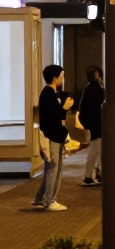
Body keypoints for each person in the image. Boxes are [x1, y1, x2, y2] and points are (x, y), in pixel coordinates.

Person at [33, 64, 73, 211]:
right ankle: (50, 201)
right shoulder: (48, 94)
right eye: (61, 75)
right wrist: (64, 108)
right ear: (55, 77)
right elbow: (52, 117)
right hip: (53, 136)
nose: (62, 77)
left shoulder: (50, 93)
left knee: (51, 168)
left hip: (54, 135)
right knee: (54, 168)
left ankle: (40, 198)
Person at [77, 65, 104, 186]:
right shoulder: (94, 89)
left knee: (98, 150)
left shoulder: (92, 88)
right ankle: (89, 175)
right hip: (96, 124)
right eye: (97, 73)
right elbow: (94, 108)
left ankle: (96, 173)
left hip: (95, 124)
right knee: (96, 150)